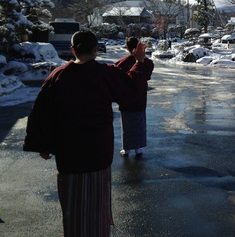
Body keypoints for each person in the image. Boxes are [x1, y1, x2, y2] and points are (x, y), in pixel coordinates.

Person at [23, 30, 152, 237]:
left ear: (73, 50)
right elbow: (130, 92)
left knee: (73, 209)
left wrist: (44, 145)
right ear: (95, 50)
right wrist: (138, 62)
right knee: (97, 209)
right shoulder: (105, 73)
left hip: (69, 157)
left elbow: (42, 112)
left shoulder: (58, 76)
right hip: (98, 154)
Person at [115, 37, 154, 157]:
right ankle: (138, 148)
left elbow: (117, 76)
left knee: (127, 125)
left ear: (127, 47)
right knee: (139, 123)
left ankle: (126, 149)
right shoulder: (146, 62)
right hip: (141, 97)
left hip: (126, 99)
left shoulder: (122, 62)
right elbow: (148, 72)